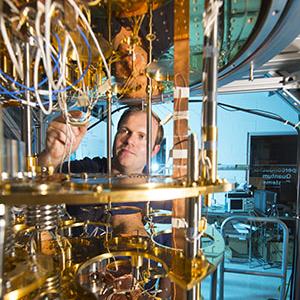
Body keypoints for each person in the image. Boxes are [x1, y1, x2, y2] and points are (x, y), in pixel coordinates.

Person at [38, 106, 165, 235]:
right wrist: (52, 156)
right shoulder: (86, 171)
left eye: (142, 136)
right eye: (125, 131)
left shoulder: (163, 196)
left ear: (154, 150)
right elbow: (38, 178)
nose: (130, 140)